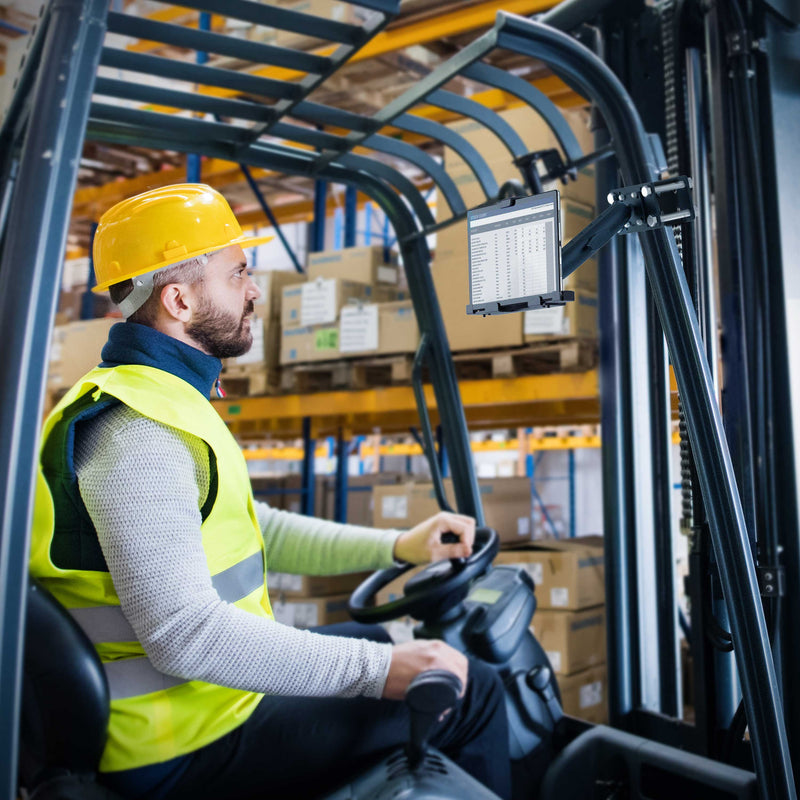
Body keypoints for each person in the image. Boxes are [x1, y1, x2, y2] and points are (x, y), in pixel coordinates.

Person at [30, 184, 511, 800]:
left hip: (206, 709)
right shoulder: (137, 430)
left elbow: (258, 528)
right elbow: (185, 635)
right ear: (179, 300)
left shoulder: (163, 399)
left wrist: (398, 545)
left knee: (396, 648)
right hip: (176, 748)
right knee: (473, 691)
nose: (255, 291)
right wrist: (381, 672)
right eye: (238, 275)